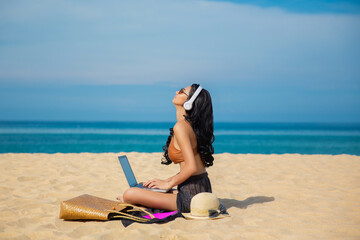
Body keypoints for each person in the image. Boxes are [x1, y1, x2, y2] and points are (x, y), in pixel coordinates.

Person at [117, 84, 215, 213]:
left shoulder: (181, 127)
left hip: (190, 197)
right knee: (141, 191)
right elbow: (194, 167)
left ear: (189, 102)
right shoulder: (190, 126)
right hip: (200, 189)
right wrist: (165, 181)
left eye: (181, 92)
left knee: (129, 194)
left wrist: (168, 184)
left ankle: (139, 202)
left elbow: (192, 167)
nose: (176, 91)